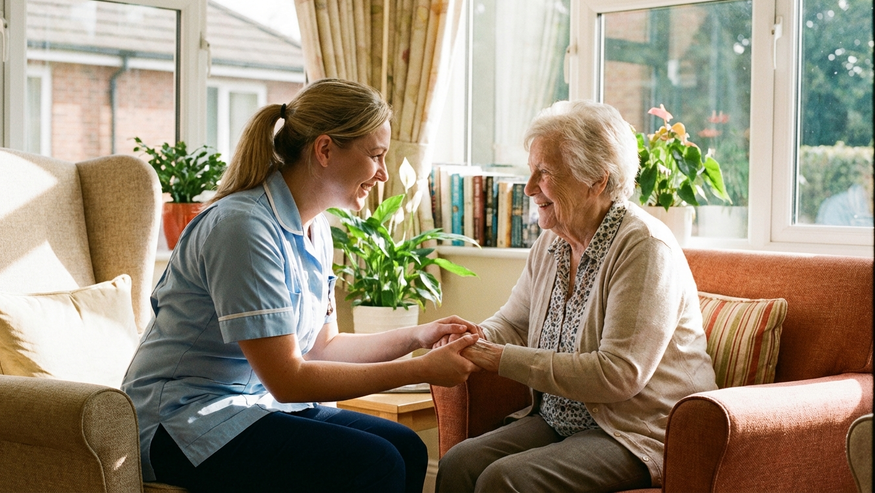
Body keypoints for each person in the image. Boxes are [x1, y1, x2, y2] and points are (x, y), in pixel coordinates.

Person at [123, 78, 480, 493]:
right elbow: (289, 378)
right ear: (325, 149)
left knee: (405, 447)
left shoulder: (316, 229)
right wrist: (419, 370)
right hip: (182, 421)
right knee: (375, 462)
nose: (382, 174)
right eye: (376, 156)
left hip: (255, 409)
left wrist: (420, 335)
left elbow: (324, 348)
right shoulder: (242, 227)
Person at [434, 100, 717, 492]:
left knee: (504, 481)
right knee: (459, 464)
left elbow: (618, 373)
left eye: (544, 173)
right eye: (531, 171)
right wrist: (471, 337)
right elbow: (513, 322)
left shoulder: (645, 248)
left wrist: (497, 359)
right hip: (559, 419)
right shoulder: (551, 243)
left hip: (636, 431)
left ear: (597, 181)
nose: (530, 187)